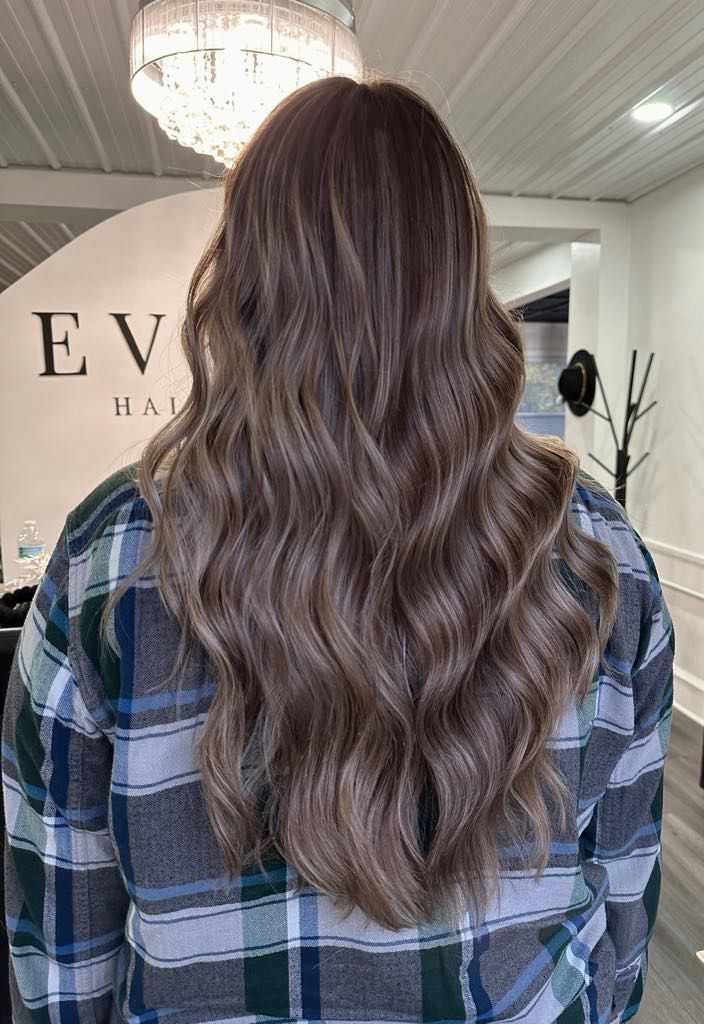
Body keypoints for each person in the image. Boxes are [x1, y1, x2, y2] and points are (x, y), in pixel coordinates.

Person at [1, 76, 674, 1024]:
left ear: (243, 278)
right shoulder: (599, 556)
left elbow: (61, 941)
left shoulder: (113, 555)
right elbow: (622, 899)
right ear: (460, 279)